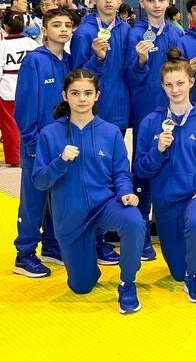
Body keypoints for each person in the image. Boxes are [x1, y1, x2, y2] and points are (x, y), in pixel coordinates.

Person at [32, 70, 146, 314]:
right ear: (65, 96)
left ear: (97, 96)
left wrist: (126, 192)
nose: (82, 99)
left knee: (134, 221)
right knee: (81, 286)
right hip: (70, 214)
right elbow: (40, 181)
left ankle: (127, 284)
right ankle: (87, 264)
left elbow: (121, 173)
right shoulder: (49, 134)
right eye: (75, 93)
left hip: (105, 205)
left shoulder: (110, 132)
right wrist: (60, 162)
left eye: (87, 93)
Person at [134, 49, 196, 302]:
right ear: (162, 86)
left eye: (180, 83)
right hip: (166, 202)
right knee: (178, 271)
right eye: (169, 85)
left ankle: (195, 278)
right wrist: (157, 152)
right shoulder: (150, 123)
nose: (175, 89)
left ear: (191, 82)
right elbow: (141, 170)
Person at [12, 8, 74, 276]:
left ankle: (51, 245)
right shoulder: (34, 61)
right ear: (45, 30)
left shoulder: (69, 61)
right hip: (37, 143)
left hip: (63, 141)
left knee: (57, 195)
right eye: (57, 24)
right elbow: (24, 106)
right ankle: (25, 253)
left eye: (67, 25)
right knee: (34, 198)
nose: (63, 29)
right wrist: (31, 141)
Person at [127, 0, 184, 260]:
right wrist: (140, 61)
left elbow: (181, 71)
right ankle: (140, 232)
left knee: (172, 164)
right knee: (143, 168)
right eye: (150, 0)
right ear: (141, 3)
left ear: (168, 1)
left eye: (161, 0)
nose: (157, 5)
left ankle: (166, 224)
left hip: (173, 108)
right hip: (145, 111)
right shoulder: (134, 34)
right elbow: (129, 77)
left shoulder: (175, 33)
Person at [70, 0, 132, 133]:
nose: (108, 0)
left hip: (121, 108)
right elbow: (77, 76)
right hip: (94, 111)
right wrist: (98, 58)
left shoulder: (126, 29)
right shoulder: (83, 33)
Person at [0, 11, 39, 167]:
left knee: (10, 124)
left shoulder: (2, 45)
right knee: (32, 121)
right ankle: (35, 153)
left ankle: (15, 157)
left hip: (8, 88)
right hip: (31, 86)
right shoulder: (33, 44)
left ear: (5, 26)